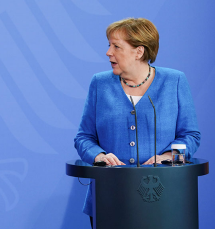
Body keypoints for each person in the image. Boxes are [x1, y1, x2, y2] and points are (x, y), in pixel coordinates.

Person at [73, 18, 200, 227]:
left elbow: (191, 136)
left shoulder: (174, 81)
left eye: (116, 46)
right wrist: (99, 156)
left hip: (165, 200)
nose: (108, 53)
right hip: (109, 199)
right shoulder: (99, 83)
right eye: (109, 45)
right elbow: (84, 137)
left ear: (139, 52)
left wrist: (169, 156)